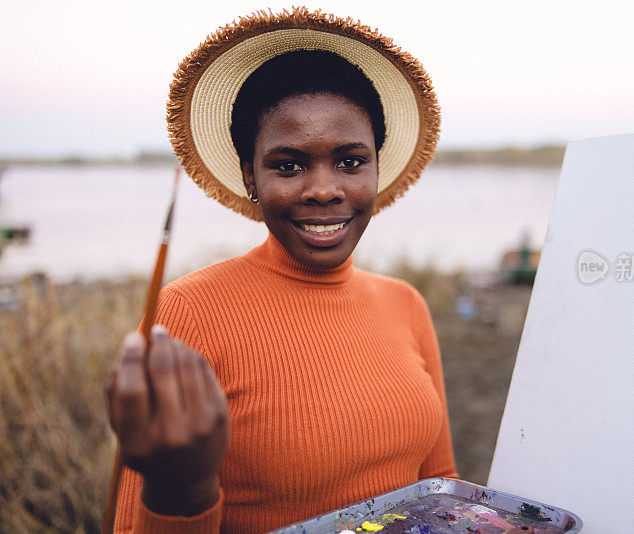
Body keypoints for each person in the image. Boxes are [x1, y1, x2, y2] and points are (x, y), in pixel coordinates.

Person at [105, 7, 458, 533]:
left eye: (350, 161)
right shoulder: (187, 312)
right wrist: (184, 490)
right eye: (288, 165)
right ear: (251, 176)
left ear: (377, 166)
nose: (324, 188)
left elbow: (443, 484)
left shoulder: (405, 303)